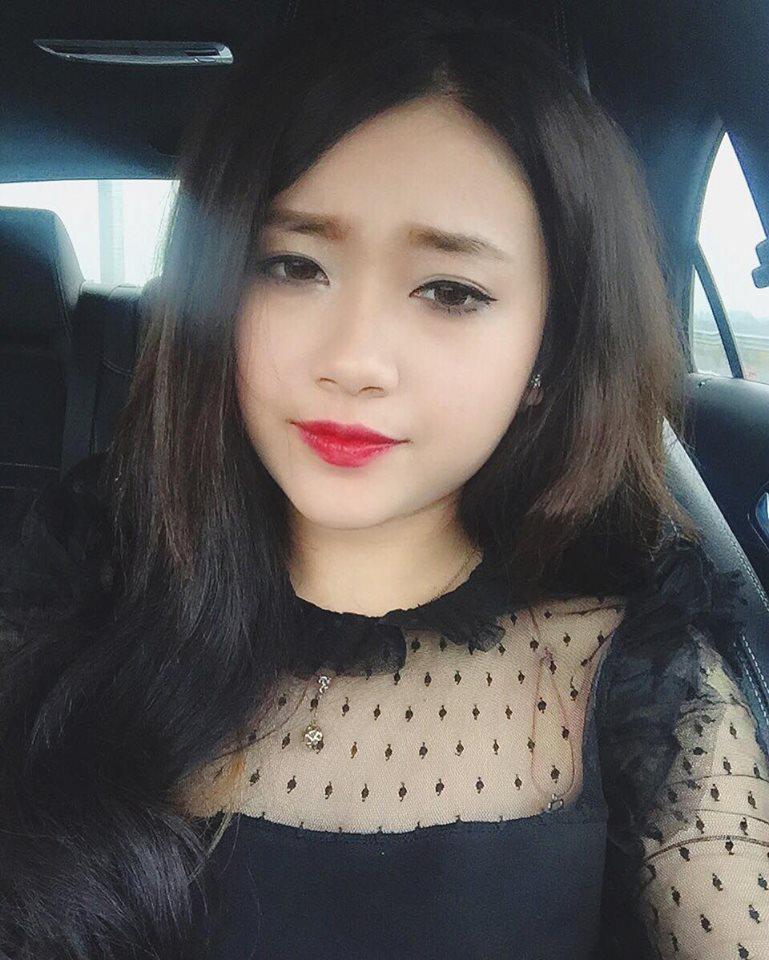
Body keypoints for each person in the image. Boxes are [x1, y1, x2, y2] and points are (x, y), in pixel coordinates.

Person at [1, 3, 766, 958]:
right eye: (291, 266)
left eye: (450, 291)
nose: (353, 359)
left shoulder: (634, 682)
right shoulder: (76, 595)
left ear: (548, 350)